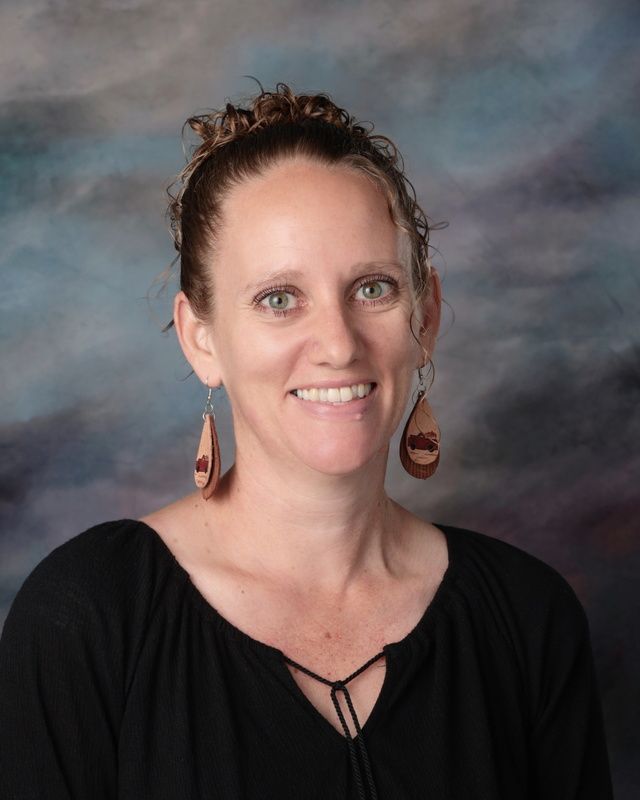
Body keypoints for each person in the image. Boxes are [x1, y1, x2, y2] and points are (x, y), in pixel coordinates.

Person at [0, 81, 614, 799]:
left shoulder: (527, 619)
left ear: (428, 315)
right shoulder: (89, 618)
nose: (337, 344)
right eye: (279, 299)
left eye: (374, 288)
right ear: (201, 340)